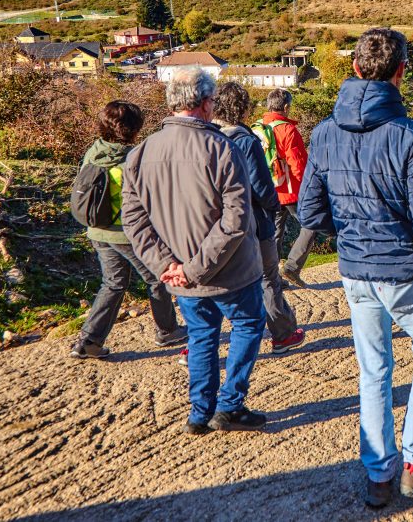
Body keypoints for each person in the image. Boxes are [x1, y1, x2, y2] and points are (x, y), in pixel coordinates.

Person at [298, 28, 413, 508]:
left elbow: (310, 213)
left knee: (374, 371)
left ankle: (379, 475)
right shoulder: (411, 137)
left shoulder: (324, 132)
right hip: (408, 269)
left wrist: (348, 231)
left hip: (355, 269)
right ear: (400, 72)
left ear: (354, 68)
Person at [123, 68, 266, 435]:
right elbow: (236, 220)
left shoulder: (141, 153)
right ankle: (230, 405)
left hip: (179, 277)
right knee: (248, 325)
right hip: (230, 271)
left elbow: (134, 222)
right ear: (204, 104)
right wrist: (195, 268)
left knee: (202, 335)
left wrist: (169, 266)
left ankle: (200, 412)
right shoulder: (223, 148)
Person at [70, 101, 187, 359]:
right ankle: (167, 330)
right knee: (157, 277)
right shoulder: (134, 158)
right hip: (126, 233)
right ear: (134, 128)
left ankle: (88, 341)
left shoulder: (94, 151)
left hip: (97, 229)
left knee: (113, 282)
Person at [213, 82, 305, 354]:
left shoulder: (207, 137)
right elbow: (262, 186)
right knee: (268, 277)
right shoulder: (246, 139)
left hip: (215, 222)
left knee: (213, 284)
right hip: (255, 215)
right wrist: (273, 203)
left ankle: (198, 345)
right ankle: (283, 334)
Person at [256, 88, 314, 289]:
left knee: (275, 232)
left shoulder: (259, 127)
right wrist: (309, 187)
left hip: (269, 189)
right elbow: (298, 165)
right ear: (286, 107)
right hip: (290, 190)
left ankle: (271, 276)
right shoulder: (287, 130)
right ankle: (292, 266)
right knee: (312, 223)